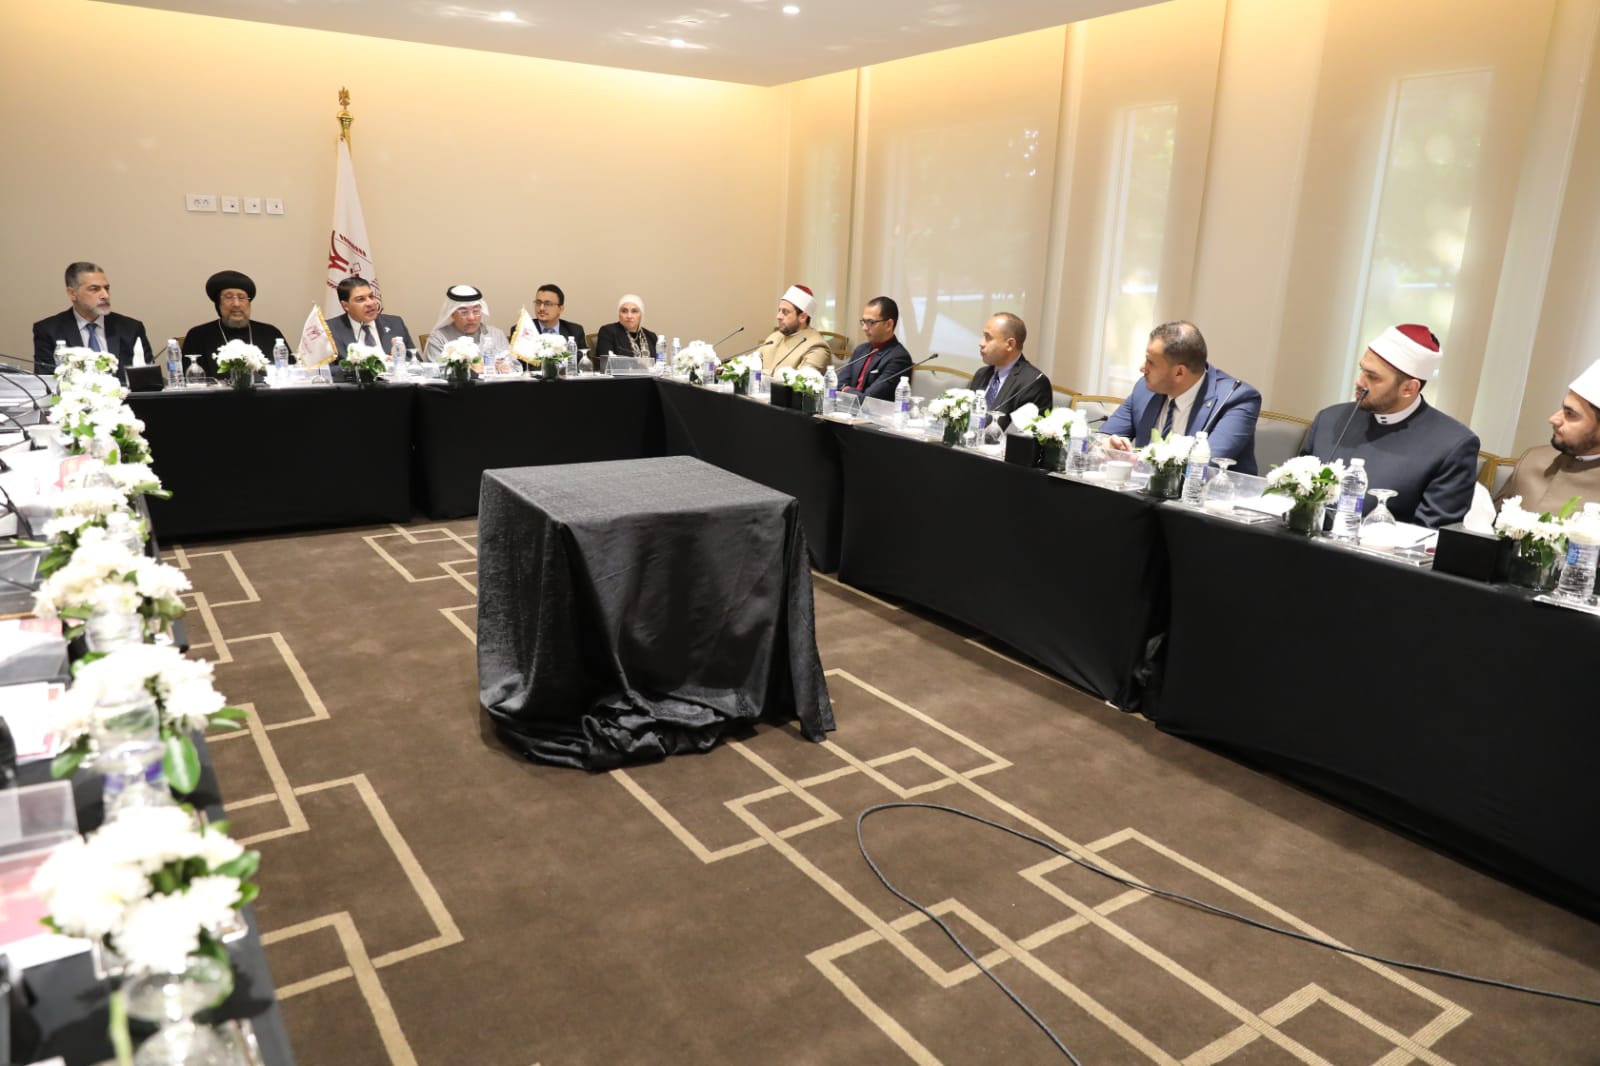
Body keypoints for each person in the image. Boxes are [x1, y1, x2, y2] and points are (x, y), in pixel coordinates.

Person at [1301, 323, 1478, 527]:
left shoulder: (1452, 445)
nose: (1359, 382)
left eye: (1372, 377)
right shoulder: (1330, 419)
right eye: (1362, 370)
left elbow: (1431, 535)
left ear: (1409, 388)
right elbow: (1294, 494)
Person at [1101, 321, 1261, 474]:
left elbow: (1205, 467)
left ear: (1179, 372)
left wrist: (1138, 462)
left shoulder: (1236, 399)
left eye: (1151, 362)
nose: (1142, 368)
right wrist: (1108, 445)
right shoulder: (1145, 389)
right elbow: (1103, 436)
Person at [1494, 359, 1600, 514]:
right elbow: (1488, 524)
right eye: (1562, 408)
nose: (1553, 419)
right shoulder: (1532, 460)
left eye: (1570, 414)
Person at [32, 261, 152, 375]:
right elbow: (46, 380)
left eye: (106, 288)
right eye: (94, 289)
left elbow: (148, 378)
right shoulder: (48, 331)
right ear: (72, 293)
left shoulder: (131, 329)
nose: (105, 295)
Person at [181, 270, 288, 377]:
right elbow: (189, 380)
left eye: (241, 297)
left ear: (249, 303)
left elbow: (289, 374)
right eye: (228, 297)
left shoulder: (270, 333)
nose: (236, 304)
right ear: (218, 304)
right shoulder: (197, 336)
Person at [970, 312, 1051, 429]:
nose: (981, 343)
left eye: (988, 338)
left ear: (1010, 344)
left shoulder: (1033, 383)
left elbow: (1023, 435)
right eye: (983, 336)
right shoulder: (981, 374)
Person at [837, 296, 913, 401]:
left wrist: (845, 390)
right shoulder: (861, 350)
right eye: (863, 322)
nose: (864, 328)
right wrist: (845, 389)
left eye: (871, 322)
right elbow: (838, 384)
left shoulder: (899, 358)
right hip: (846, 408)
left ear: (888, 325)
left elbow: (869, 399)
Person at [326, 276, 414, 355]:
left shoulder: (395, 323)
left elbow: (415, 358)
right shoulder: (329, 330)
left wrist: (399, 359)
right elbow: (328, 367)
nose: (370, 303)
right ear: (345, 306)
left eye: (371, 296)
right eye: (361, 299)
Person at [756, 285, 832, 375]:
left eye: (785, 312)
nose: (778, 316)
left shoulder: (817, 346)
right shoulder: (775, 336)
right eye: (779, 310)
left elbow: (802, 380)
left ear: (803, 317)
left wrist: (760, 374)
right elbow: (752, 363)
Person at [422, 285, 508, 363]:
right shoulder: (439, 338)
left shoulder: (497, 335)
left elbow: (513, 365)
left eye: (476, 311)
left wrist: (505, 367)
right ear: (452, 314)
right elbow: (436, 371)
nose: (471, 317)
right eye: (464, 312)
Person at [593, 294, 658, 370]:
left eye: (634, 311)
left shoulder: (651, 336)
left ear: (641, 314)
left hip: (651, 377)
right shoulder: (608, 332)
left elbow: (658, 365)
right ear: (619, 314)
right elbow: (607, 364)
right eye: (624, 311)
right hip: (619, 377)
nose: (629, 316)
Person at [526, 283, 586, 352]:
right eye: (538, 303)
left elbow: (582, 357)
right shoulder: (524, 329)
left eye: (548, 304)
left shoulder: (575, 331)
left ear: (560, 309)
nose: (541, 308)